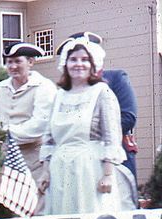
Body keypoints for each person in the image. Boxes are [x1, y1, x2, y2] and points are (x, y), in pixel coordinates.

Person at [39, 37, 135, 214]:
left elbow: (111, 136)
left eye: (84, 60)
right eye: (73, 59)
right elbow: (49, 138)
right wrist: (45, 172)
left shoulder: (101, 92)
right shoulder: (59, 96)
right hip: (60, 168)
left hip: (90, 169)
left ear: (93, 65)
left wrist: (107, 174)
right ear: (65, 64)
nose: (78, 64)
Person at [0, 42, 57, 214]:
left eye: (18, 61)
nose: (12, 66)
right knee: (7, 207)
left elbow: (39, 126)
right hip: (5, 161)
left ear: (30, 62)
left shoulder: (44, 88)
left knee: (36, 207)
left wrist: (3, 130)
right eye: (9, 62)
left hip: (35, 160)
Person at [56, 32, 139, 177]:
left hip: (113, 156)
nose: (79, 63)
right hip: (73, 162)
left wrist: (88, 134)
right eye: (73, 58)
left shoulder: (116, 78)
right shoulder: (65, 92)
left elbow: (128, 117)